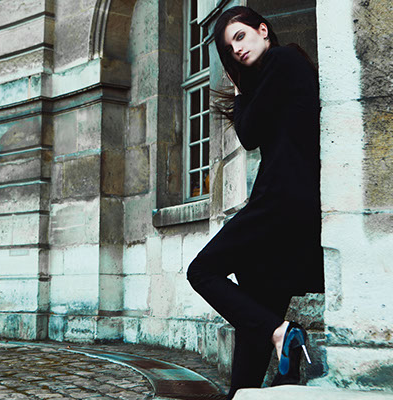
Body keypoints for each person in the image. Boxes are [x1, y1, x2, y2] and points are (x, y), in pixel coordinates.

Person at [186, 6, 324, 399]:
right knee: (254, 320)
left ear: (263, 30)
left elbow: (247, 133)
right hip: (286, 202)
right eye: (230, 49)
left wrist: (242, 90)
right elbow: (251, 133)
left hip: (279, 201)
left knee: (202, 271)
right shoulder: (271, 76)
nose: (237, 50)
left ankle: (283, 333)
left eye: (241, 37)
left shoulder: (283, 60)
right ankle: (267, 369)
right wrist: (244, 89)